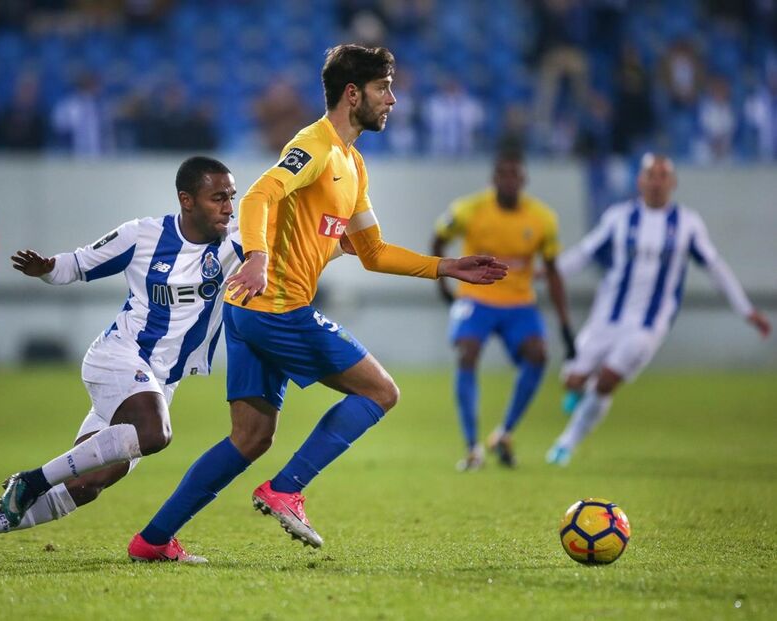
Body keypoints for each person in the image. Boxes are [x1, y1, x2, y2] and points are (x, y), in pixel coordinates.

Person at [126, 44, 508, 563]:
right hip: (277, 306)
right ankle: (287, 489)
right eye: (383, 88)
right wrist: (258, 257)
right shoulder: (316, 145)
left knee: (250, 437)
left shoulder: (353, 164)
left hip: (249, 313)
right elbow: (260, 195)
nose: (392, 100)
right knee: (380, 391)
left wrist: (444, 266)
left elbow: (372, 252)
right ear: (353, 94)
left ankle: (151, 540)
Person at [0, 156, 243, 561]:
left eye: (231, 197)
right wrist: (46, 268)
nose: (228, 208)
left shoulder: (236, 240)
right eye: (218, 198)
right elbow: (76, 264)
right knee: (154, 434)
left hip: (159, 380)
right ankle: (32, 480)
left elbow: (287, 241)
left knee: (87, 485)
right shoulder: (143, 236)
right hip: (118, 358)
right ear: (187, 199)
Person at [546, 154, 771, 466]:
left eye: (663, 175)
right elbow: (583, 254)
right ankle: (579, 387)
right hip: (606, 316)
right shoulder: (619, 217)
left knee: (607, 380)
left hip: (648, 325)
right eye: (650, 175)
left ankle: (565, 443)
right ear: (639, 181)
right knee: (572, 380)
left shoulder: (687, 224)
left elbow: (715, 267)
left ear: (673, 183)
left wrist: (746, 310)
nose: (656, 181)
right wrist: (543, 273)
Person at [432, 151, 574, 470]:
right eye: (503, 175)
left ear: (523, 180)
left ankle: (504, 433)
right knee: (467, 353)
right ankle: (472, 448)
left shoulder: (542, 219)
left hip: (519, 301)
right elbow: (438, 239)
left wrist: (565, 325)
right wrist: (445, 285)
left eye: (515, 175)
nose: (509, 181)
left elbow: (552, 271)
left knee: (538, 355)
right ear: (493, 179)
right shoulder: (468, 210)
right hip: (475, 297)